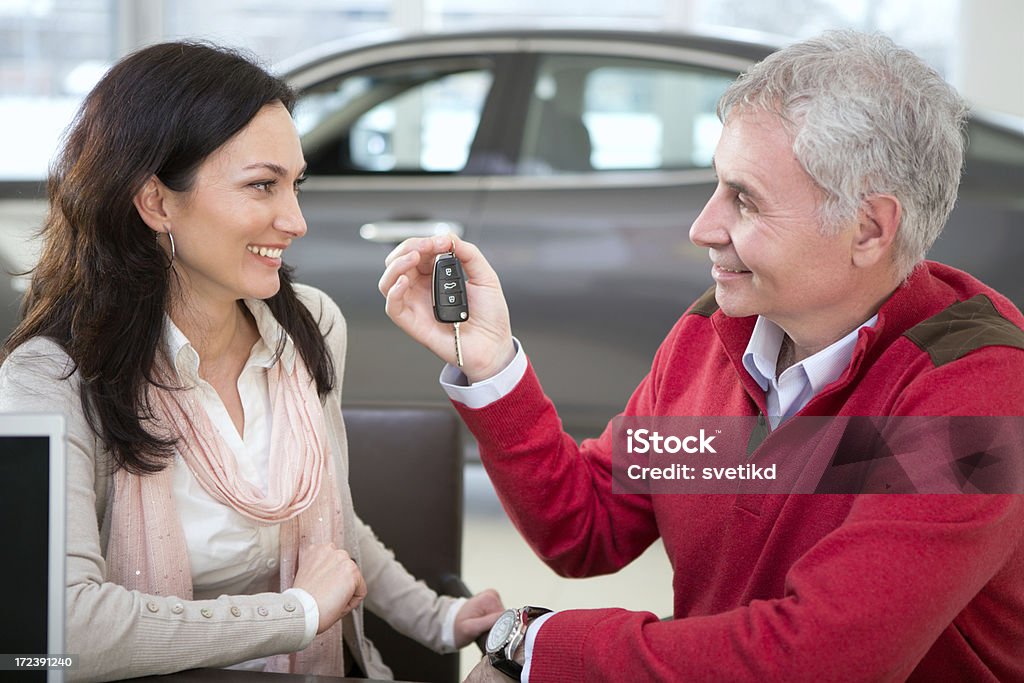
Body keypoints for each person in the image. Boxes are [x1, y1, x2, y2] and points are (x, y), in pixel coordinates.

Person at [379, 30, 1024, 682]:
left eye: (743, 198)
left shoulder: (976, 395)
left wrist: (543, 644)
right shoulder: (719, 336)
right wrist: (493, 366)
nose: (702, 227)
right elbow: (590, 523)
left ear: (868, 228)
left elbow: (819, 659)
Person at [0, 41, 503, 682]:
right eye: (262, 185)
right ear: (155, 202)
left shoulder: (310, 325)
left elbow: (331, 523)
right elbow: (56, 630)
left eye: (296, 185)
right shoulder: (51, 378)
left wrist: (437, 618)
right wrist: (293, 614)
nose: (294, 220)